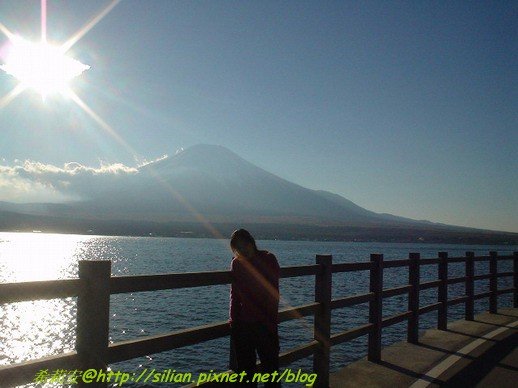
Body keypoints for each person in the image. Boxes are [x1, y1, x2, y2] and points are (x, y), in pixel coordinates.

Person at [228, 229, 280, 387]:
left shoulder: (268, 259)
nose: (242, 250)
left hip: (265, 325)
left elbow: (273, 294)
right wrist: (234, 322)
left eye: (244, 245)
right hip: (243, 327)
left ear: (252, 243)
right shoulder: (236, 263)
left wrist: (270, 322)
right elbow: (234, 295)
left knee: (271, 372)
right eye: (238, 248)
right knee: (246, 375)